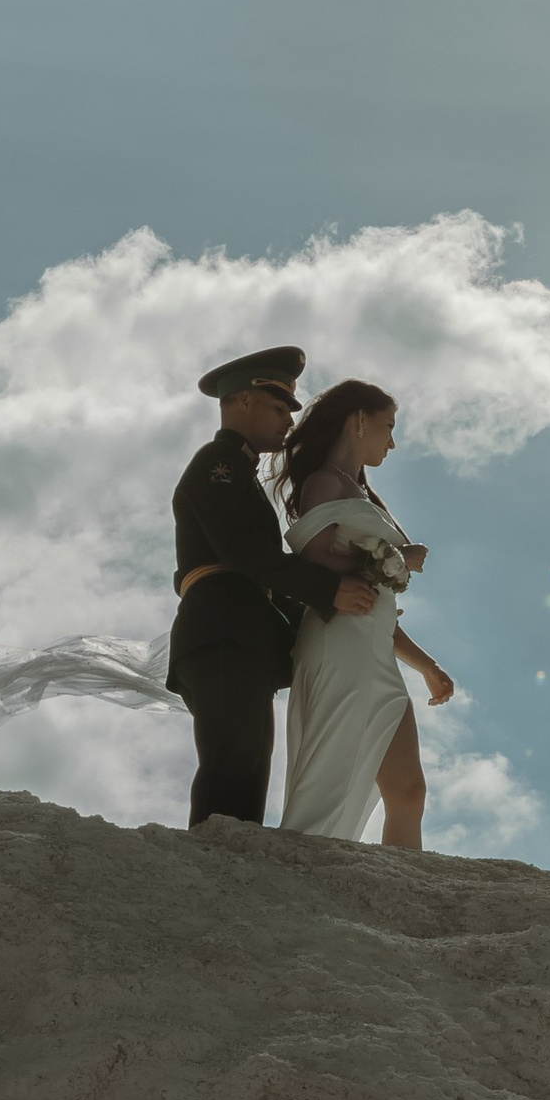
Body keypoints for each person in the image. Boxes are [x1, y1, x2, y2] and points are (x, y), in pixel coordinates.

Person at [169, 349, 381, 829]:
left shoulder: (239, 470)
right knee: (232, 764)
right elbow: (245, 553)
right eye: (279, 406)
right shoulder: (217, 463)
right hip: (222, 633)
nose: (289, 419)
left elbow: (257, 567)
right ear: (242, 400)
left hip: (239, 637)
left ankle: (229, 874)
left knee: (247, 768)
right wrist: (328, 591)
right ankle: (213, 871)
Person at [276, 378, 455, 847]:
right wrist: (400, 559)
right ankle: (294, 876)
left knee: (409, 790)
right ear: (358, 420)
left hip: (375, 648)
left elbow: (378, 600)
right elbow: (313, 560)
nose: (393, 441)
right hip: (340, 645)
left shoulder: (362, 493)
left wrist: (428, 667)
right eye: (388, 426)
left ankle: (403, 892)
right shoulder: (321, 483)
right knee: (328, 782)